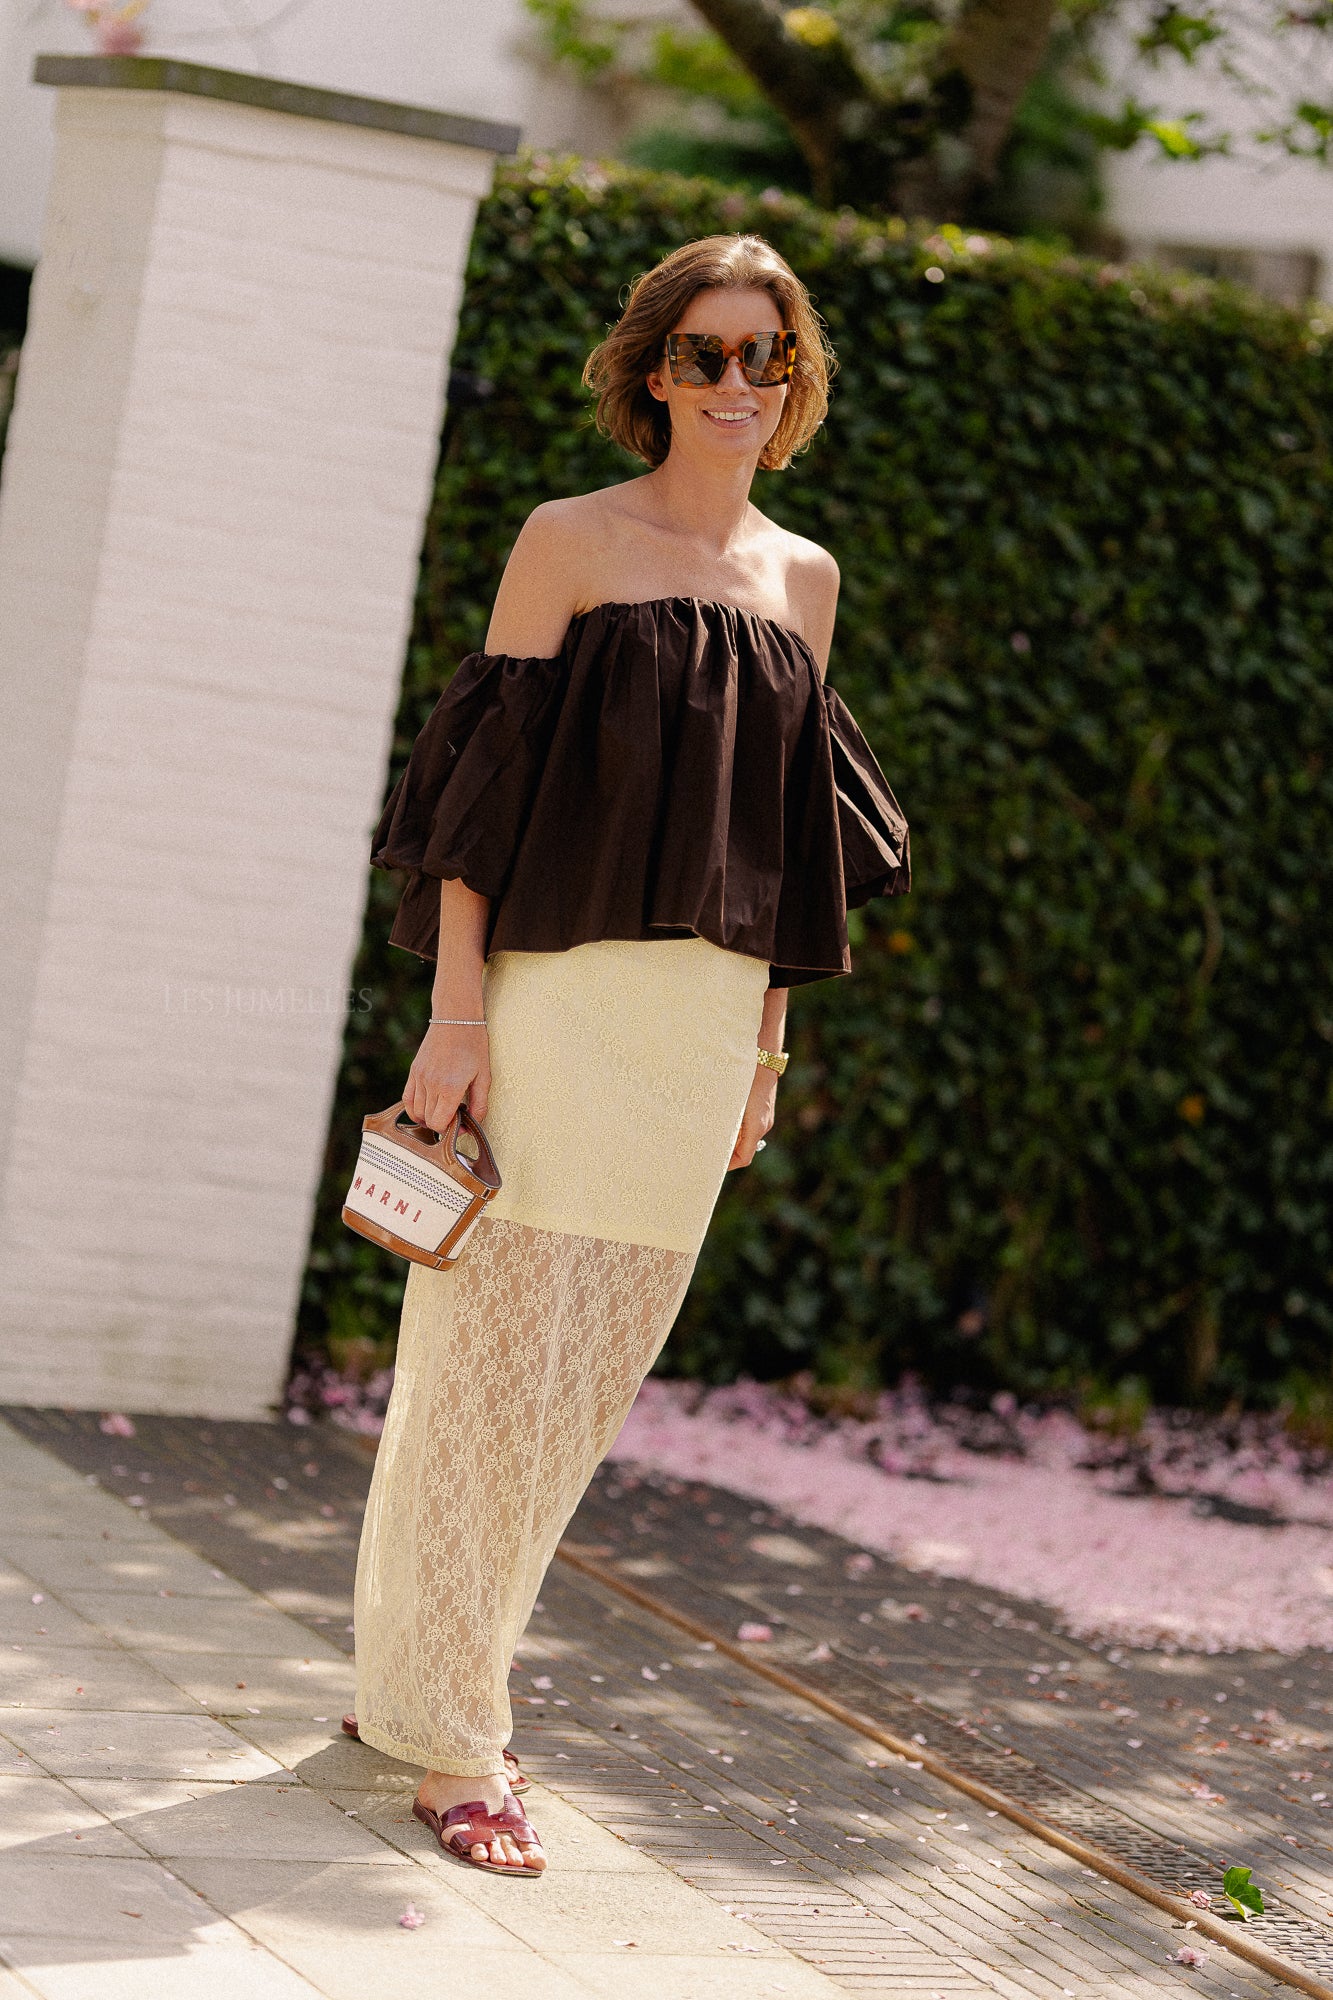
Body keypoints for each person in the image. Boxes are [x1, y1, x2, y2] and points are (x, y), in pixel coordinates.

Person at [346, 233, 910, 1876]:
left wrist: (766, 1056)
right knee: (480, 1376)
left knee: (578, 1390)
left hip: (698, 1032)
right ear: (651, 372)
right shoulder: (567, 541)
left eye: (765, 355)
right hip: (553, 1006)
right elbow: (477, 804)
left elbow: (792, 851)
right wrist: (457, 1020)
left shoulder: (803, 579)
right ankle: (459, 1741)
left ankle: (418, 1685)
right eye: (703, 354)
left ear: (795, 380)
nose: (737, 382)